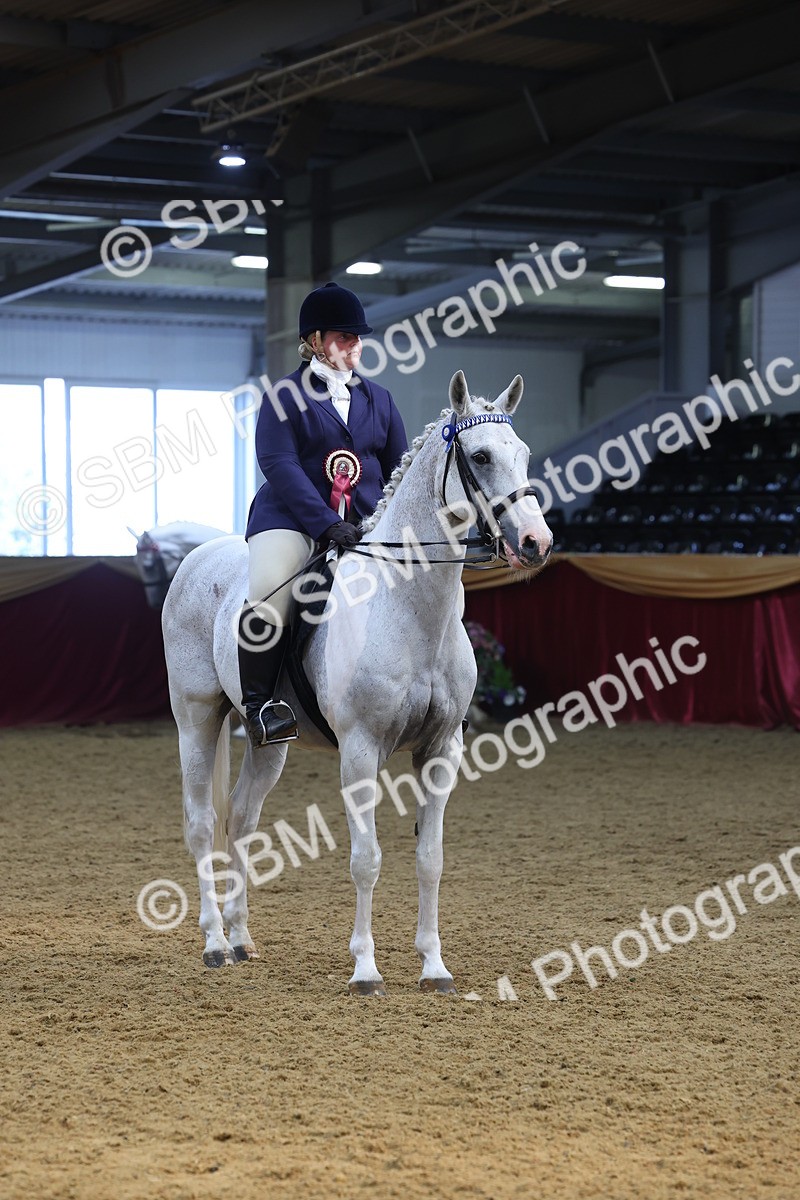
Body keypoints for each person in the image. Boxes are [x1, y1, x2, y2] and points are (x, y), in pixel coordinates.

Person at [239, 281, 409, 748]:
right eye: (342, 337)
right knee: (269, 589)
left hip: (366, 526)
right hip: (293, 519)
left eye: (357, 338)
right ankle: (259, 706)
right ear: (314, 341)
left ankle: (437, 700)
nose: (353, 346)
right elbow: (279, 464)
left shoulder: (380, 400)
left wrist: (390, 525)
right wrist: (324, 522)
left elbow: (401, 470)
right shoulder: (283, 397)